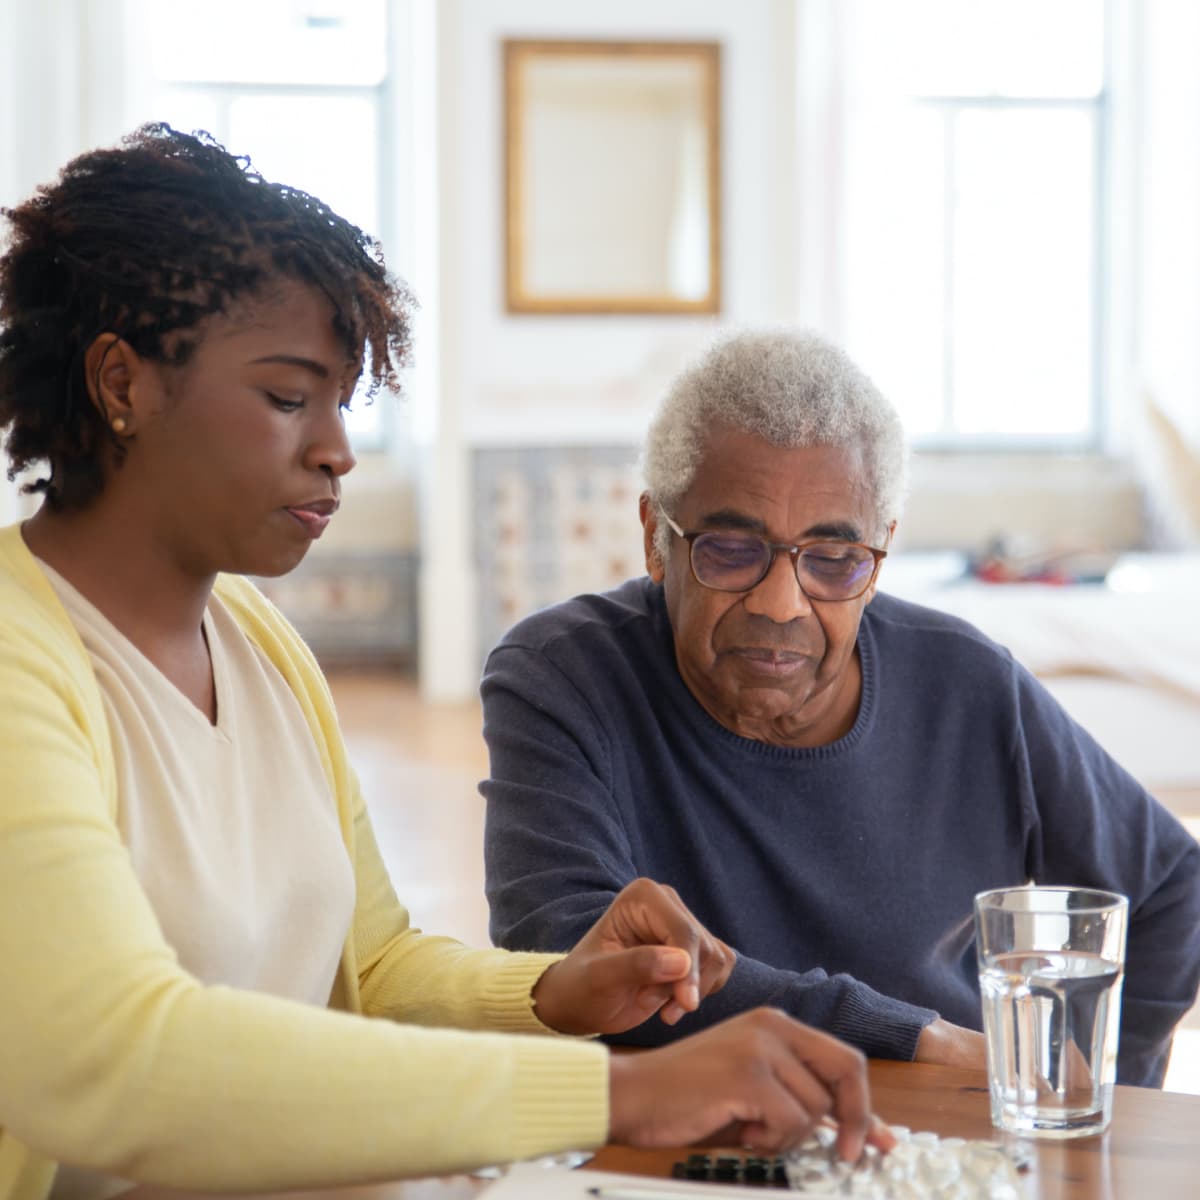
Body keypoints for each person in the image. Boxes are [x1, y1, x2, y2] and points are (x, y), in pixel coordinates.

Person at [0, 129, 892, 1200]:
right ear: (120, 384)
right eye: (290, 397)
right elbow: (118, 1063)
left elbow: (370, 967)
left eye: (344, 401)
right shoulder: (21, 657)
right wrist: (623, 1095)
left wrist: (555, 993)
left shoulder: (263, 647)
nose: (337, 448)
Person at [482, 328, 1200, 1089]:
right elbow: (568, 956)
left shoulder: (966, 683)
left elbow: (1169, 887)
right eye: (731, 548)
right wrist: (911, 1036)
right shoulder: (561, 676)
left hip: (941, 1148)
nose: (781, 603)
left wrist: (1106, 1100)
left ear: (881, 553)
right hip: (680, 1141)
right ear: (657, 539)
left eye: (834, 560)